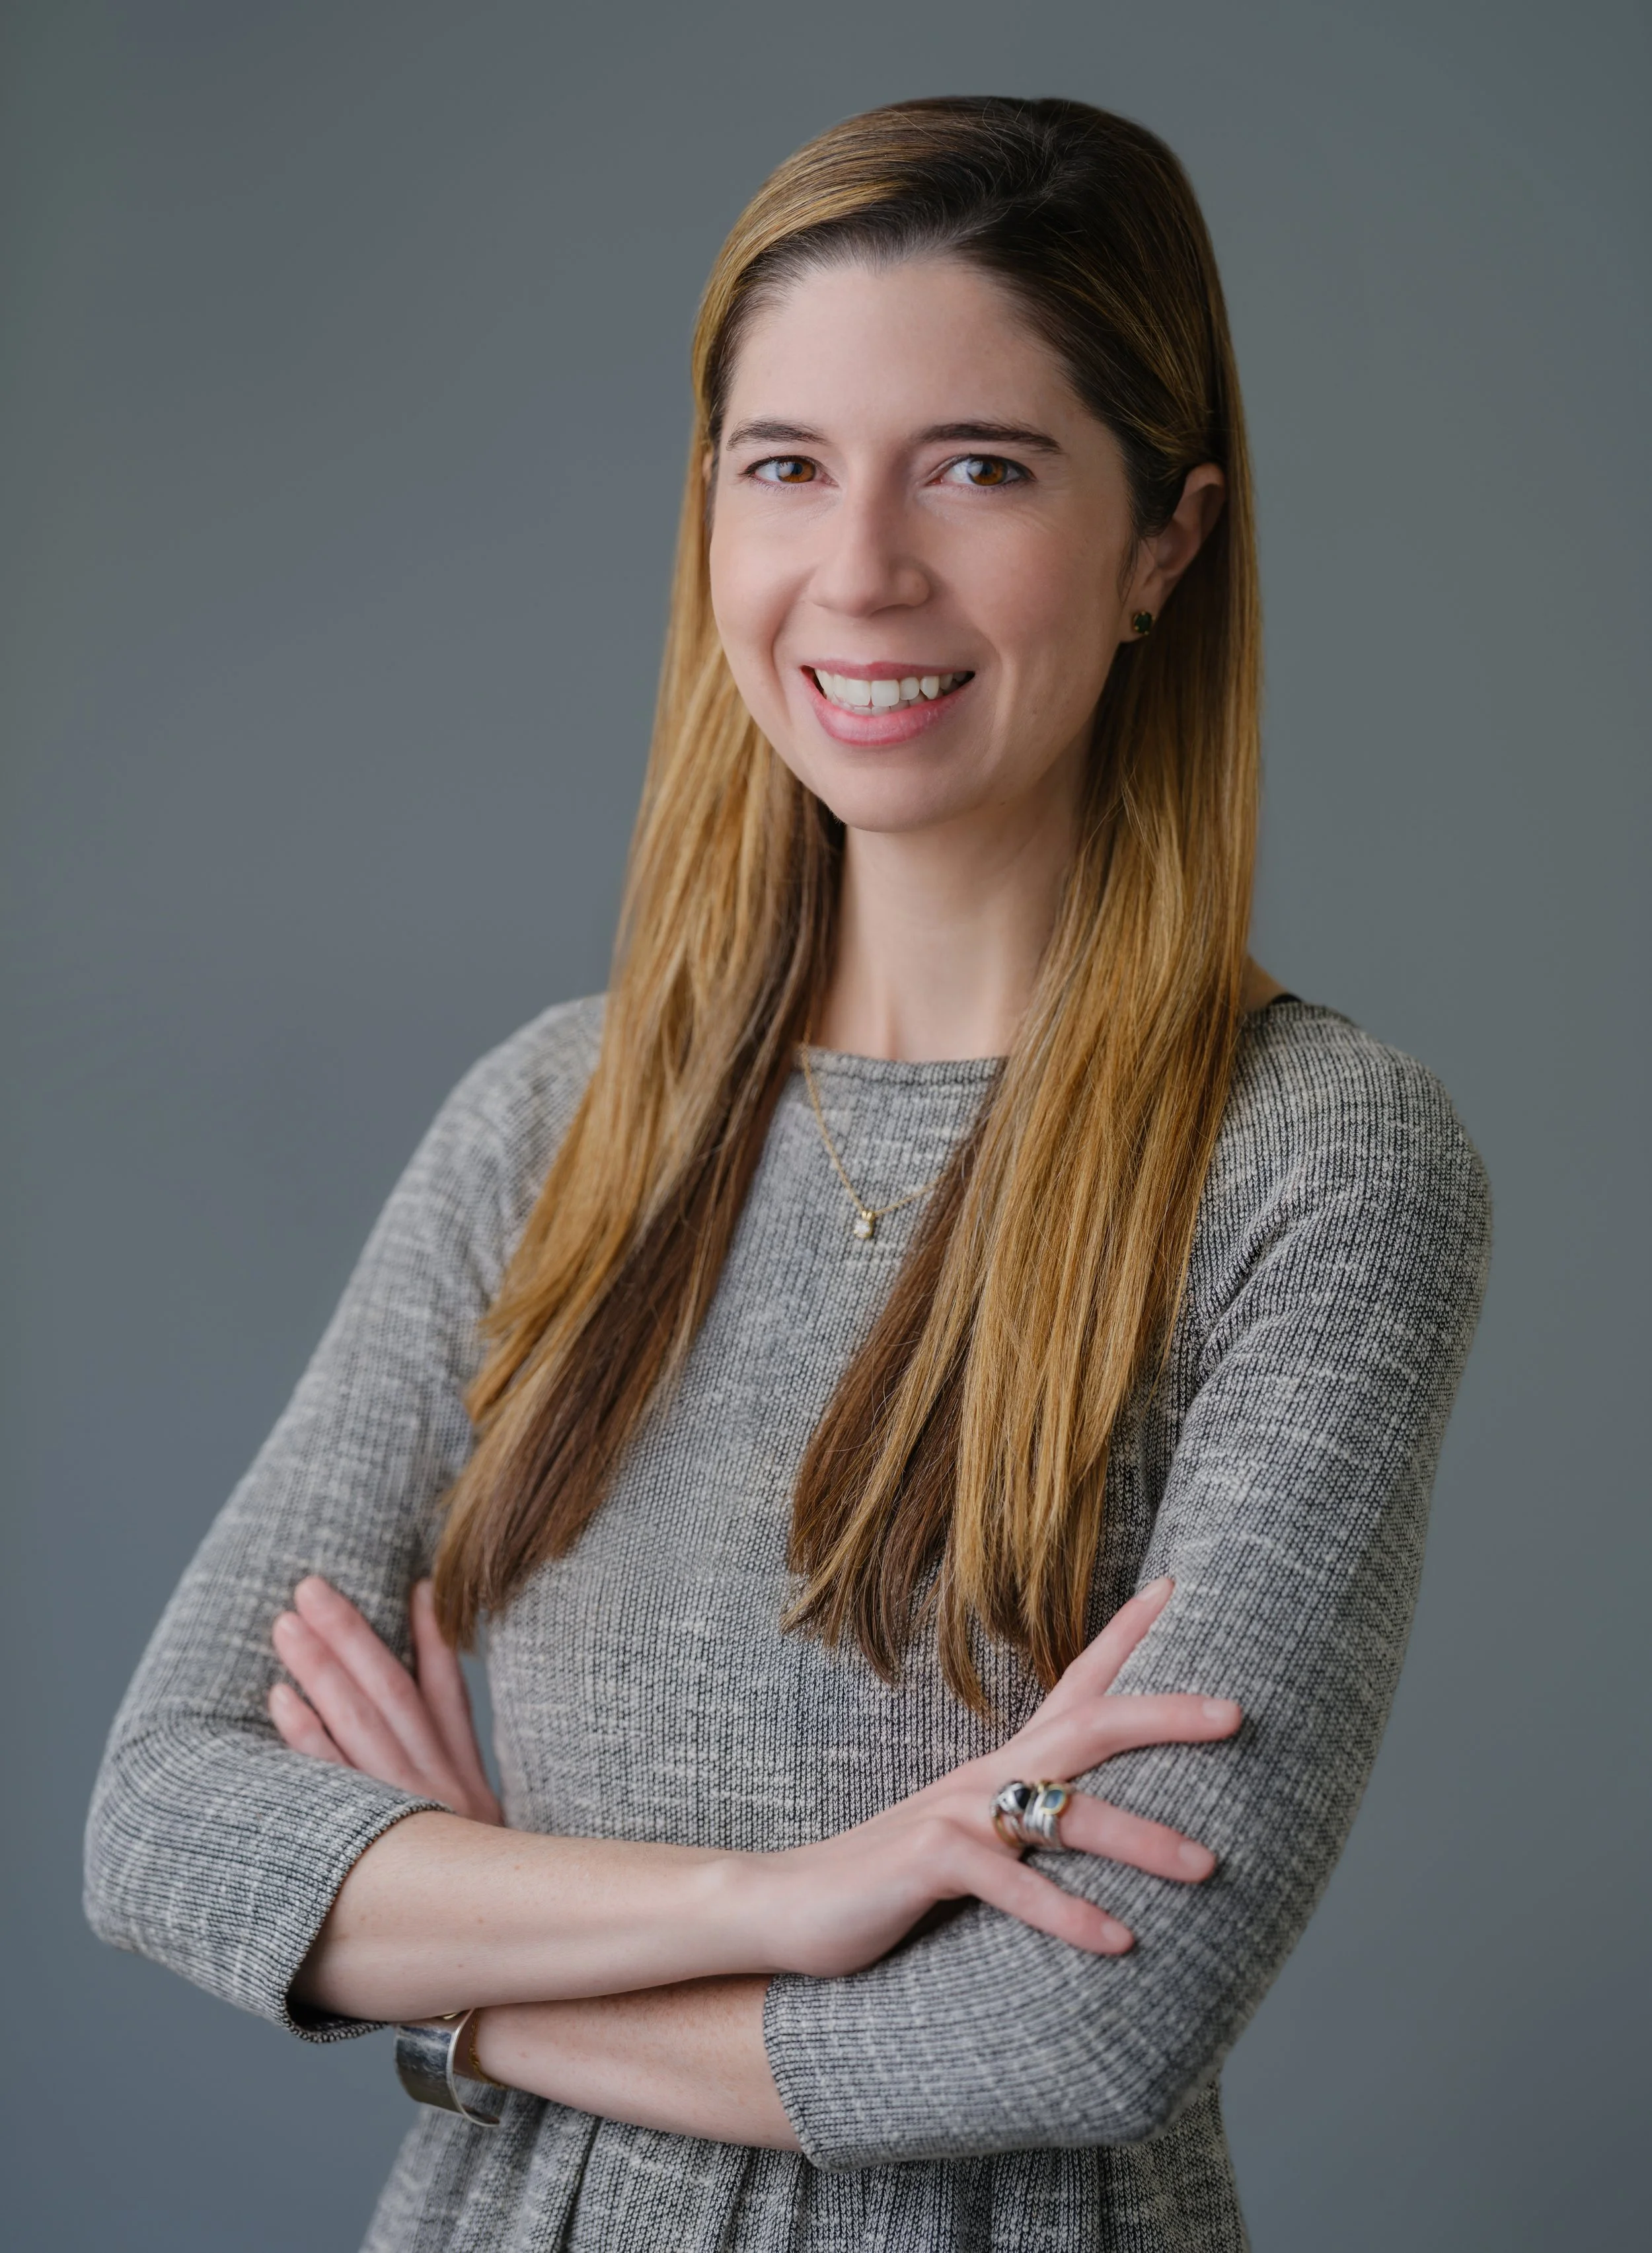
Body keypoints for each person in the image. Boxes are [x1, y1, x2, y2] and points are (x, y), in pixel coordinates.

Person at [85, 96, 1491, 2252]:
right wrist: (790, 1904)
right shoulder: (549, 1128)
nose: (861, 573)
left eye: (979, 468)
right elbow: (165, 1823)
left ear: (1166, 542)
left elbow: (1062, 2038)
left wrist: (462, 1973)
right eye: (786, 468)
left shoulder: (1314, 1167)